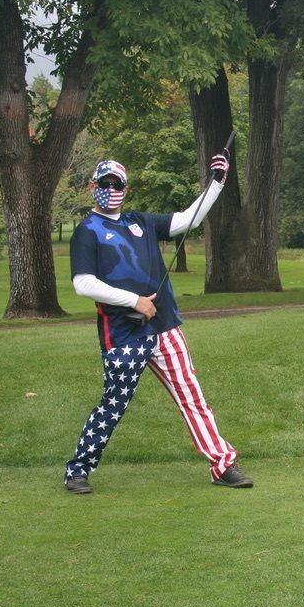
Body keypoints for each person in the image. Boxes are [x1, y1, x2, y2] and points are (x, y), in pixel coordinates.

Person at [63, 155, 252, 493]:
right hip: (122, 334)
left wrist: (217, 183)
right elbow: (83, 283)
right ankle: (78, 469)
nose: (109, 190)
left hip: (165, 327)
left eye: (116, 185)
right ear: (93, 187)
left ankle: (223, 464)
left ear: (126, 188)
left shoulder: (141, 221)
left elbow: (186, 220)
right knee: (113, 404)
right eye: (103, 184)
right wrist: (133, 300)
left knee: (192, 396)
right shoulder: (87, 231)